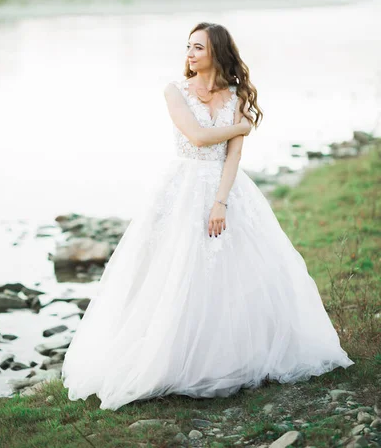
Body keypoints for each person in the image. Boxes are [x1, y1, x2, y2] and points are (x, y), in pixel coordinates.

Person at [61, 21, 354, 412]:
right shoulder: (175, 91)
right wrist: (242, 126)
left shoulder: (236, 94)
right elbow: (198, 137)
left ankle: (231, 357)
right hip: (181, 188)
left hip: (226, 187)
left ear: (217, 51)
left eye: (198, 47)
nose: (190, 53)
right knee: (173, 271)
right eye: (188, 47)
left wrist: (221, 202)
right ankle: (165, 357)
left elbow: (233, 155)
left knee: (238, 273)